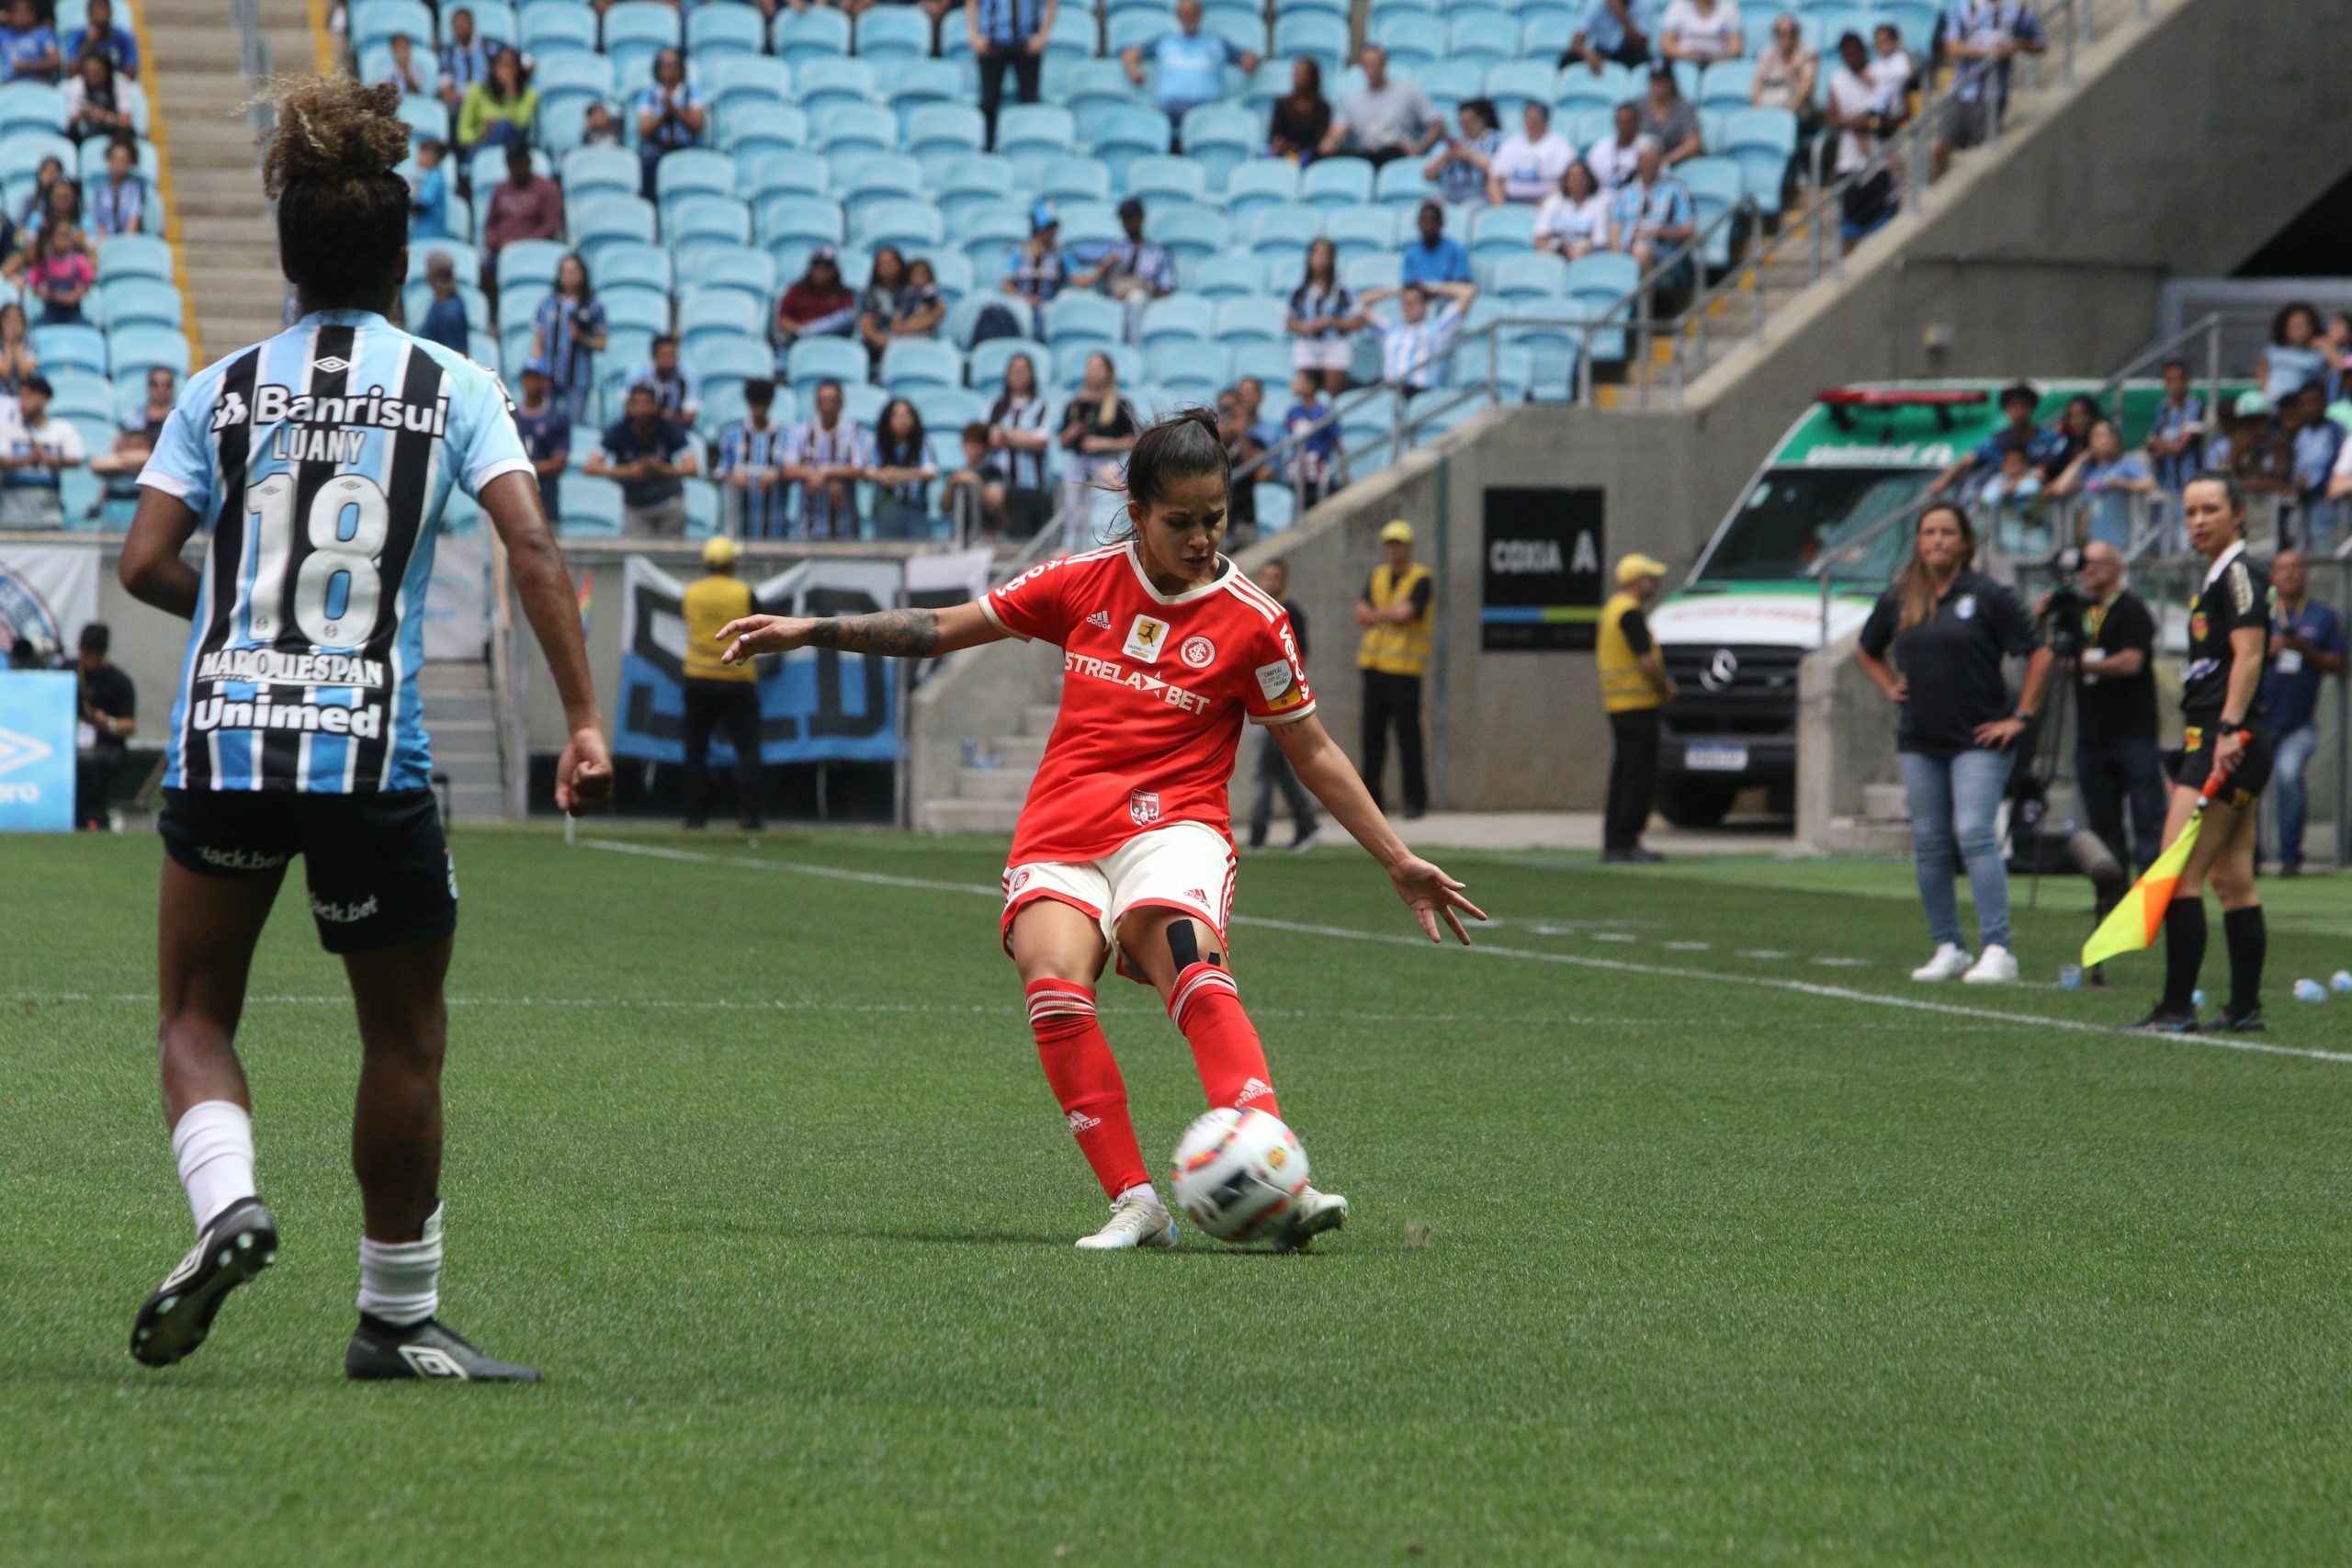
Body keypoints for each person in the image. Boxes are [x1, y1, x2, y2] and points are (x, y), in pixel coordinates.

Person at [115, 73, 611, 1382]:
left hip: (226, 736)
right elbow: (534, 543)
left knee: (193, 1009)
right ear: (401, 262)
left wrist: (233, 600)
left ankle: (227, 1200)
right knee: (402, 1035)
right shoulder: (453, 385)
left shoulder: (217, 391)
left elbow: (143, 562)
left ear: (286, 259)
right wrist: (583, 719)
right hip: (366, 747)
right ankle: (395, 1317)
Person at [713, 409, 1484, 1248]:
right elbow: (943, 627)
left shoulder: (1256, 621)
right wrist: (810, 629)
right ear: (1139, 511)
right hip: (1063, 823)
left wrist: (1398, 858)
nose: (1200, 539)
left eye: (1215, 519)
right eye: (1180, 522)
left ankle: (1276, 1168)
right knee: (1051, 977)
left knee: (1188, 954)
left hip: (1176, 825)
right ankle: (1137, 1202)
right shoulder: (1082, 580)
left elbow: (1315, 750)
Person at [1853, 502, 2049, 985]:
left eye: (1947, 532)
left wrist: (2020, 716)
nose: (1937, 540)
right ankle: (1948, 945)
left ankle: (1998, 948)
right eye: (1929, 532)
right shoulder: (1901, 597)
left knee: (1975, 833)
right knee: (1931, 843)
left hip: (1979, 736)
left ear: (1964, 542)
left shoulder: (1987, 595)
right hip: (1921, 738)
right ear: (1918, 541)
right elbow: (1866, 648)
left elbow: (2038, 653)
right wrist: (1886, 684)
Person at [2132, 475, 2275, 1032]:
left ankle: (2175, 1008)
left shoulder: (2238, 574)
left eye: (2211, 509)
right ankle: (2244, 1009)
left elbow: (2250, 655)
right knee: (2232, 878)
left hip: (2224, 742)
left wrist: (2229, 729)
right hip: (2227, 740)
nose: (2198, 520)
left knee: (2177, 874)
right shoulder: (2219, 575)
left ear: (2238, 514)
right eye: (2190, 510)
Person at [2050, 543, 2165, 978]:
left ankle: (2157, 907)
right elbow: (2059, 660)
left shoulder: (2131, 611)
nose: (2087, 571)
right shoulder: (2079, 613)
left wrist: (2083, 665)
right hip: (2092, 735)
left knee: (2148, 820)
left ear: (2116, 568)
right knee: (2104, 827)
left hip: (2132, 731)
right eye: (2084, 565)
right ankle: (2112, 903)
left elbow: (2132, 662)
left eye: (2096, 563)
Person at [2261, 547, 2344, 878]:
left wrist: (2303, 649)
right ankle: (2248, 856)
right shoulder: (2262, 614)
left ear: (2306, 574)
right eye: (2283, 568)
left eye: (2297, 567)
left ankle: (2290, 856)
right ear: (2273, 576)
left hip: (2298, 722)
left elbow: (2337, 663)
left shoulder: (2322, 616)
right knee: (2247, 789)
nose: (2291, 574)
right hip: (2260, 716)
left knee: (2289, 777)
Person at [679, 535, 764, 833]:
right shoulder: (743, 592)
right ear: (730, 564)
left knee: (695, 749)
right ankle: (750, 815)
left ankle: (694, 815)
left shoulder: (691, 593)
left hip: (697, 676)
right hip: (736, 678)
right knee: (748, 749)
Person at [1598, 552, 1675, 863]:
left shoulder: (1612, 610)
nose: (1654, 583)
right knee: (1637, 776)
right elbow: (1646, 661)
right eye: (1650, 577)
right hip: (1637, 704)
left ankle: (1615, 840)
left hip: (1618, 704)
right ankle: (1627, 842)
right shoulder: (1630, 613)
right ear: (1637, 580)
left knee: (1623, 774)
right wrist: (1665, 686)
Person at [1355, 518, 1434, 818]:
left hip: (1404, 670)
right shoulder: (1377, 575)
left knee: (1408, 738)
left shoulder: (1421, 578)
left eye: (1398, 543)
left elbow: (1406, 614)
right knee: (1371, 739)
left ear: (1408, 547)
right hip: (1374, 669)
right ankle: (1372, 802)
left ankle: (1415, 801)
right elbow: (1360, 614)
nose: (1393, 549)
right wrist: (1386, 614)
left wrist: (1378, 613)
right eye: (1389, 543)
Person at [1244, 558, 1320, 851]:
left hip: (1279, 701)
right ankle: (1307, 825)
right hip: (1257, 700)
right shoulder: (1256, 609)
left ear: (1284, 579)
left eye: (1275, 576)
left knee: (1264, 770)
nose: (1270, 581)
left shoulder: (1291, 614)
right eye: (1266, 576)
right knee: (1278, 769)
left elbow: (1301, 656)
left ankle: (1257, 834)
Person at [1932, 0, 2042, 179]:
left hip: (1993, 94)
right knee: (1942, 145)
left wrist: (2018, 44)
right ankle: (1935, 188)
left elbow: (2040, 44)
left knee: (1980, 149)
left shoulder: (2018, 12)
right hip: (1960, 90)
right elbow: (1952, 47)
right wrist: (1985, 53)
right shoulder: (1962, 8)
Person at [1119, 0, 1256, 131]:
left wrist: (1250, 62)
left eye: (1192, 13)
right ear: (1177, 16)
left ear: (1200, 14)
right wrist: (1133, 69)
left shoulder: (1216, 42)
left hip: (1208, 110)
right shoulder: (1165, 41)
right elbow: (1129, 54)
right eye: (1184, 13)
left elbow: (1248, 57)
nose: (1188, 17)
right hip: (1169, 110)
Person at [586, 381, 697, 536]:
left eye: (647, 404)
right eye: (637, 404)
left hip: (668, 503)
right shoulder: (617, 431)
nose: (642, 410)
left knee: (670, 558)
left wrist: (660, 469)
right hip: (635, 508)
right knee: (636, 558)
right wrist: (629, 471)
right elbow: (590, 467)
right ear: (628, 407)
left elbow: (692, 468)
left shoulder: (670, 429)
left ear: (656, 406)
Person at [1826, 32, 1896, 249]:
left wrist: (1869, 123)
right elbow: (1832, 119)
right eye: (1847, 55)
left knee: (1882, 226)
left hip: (1879, 160)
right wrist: (1853, 123)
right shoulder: (1838, 80)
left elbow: (1889, 117)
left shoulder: (1878, 76)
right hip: (1850, 162)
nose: (1852, 59)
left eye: (1856, 53)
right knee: (1850, 229)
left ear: (1864, 52)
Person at [1317, 46, 1442, 168]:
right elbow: (1339, 130)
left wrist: (1420, 148)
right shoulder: (1352, 101)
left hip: (1395, 152)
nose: (1372, 68)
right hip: (1365, 154)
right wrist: (1330, 142)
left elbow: (1436, 124)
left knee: (1391, 151)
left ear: (1385, 64)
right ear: (1362, 67)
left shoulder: (1408, 92)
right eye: (1367, 64)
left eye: (1376, 63)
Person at [1076, 197, 1176, 344]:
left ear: (1142, 219)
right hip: (1112, 298)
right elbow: (1074, 254)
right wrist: (1105, 266)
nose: (1127, 224)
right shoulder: (1114, 248)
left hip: (1142, 299)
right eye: (1124, 219)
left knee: (1136, 298)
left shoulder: (1158, 253)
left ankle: (1132, 349)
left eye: (1131, 218)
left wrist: (1138, 287)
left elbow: (1166, 287)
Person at [783, 378, 873, 540]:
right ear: (816, 404)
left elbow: (859, 469)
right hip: (809, 520)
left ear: (841, 403)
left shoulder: (854, 431)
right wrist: (818, 475)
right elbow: (788, 468)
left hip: (845, 520)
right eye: (823, 400)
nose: (828, 406)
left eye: (832, 400)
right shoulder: (801, 431)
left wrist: (824, 474)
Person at [2047, 418, 2154, 549]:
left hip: (2121, 543)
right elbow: (2059, 489)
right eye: (2098, 436)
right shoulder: (2088, 470)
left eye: (2110, 434)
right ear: (2089, 441)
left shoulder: (2127, 462)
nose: (2105, 440)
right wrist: (2079, 460)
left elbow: (2150, 484)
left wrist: (2120, 484)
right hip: (2093, 543)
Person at [1355, 280, 1476, 393]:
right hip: (1391, 391)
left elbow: (1468, 291)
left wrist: (1430, 288)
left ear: (1424, 305)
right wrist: (1396, 290)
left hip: (1421, 390)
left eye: (1414, 302)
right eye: (1405, 303)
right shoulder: (1390, 331)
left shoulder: (1439, 330)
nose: (1409, 307)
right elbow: (1358, 303)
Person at [1057, 350, 1137, 517]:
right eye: (1090, 367)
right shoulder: (1075, 405)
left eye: (1098, 367)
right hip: (1079, 462)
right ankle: (1071, 534)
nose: (1093, 372)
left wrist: (1102, 443)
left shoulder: (1120, 404)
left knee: (1110, 477)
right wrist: (1072, 432)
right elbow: (1063, 442)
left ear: (1109, 372)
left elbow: (1131, 440)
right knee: (1072, 479)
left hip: (1109, 460)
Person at [987, 350, 1056, 536]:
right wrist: (1023, 438)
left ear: (1032, 374)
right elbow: (989, 439)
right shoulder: (995, 406)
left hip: (1032, 487)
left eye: (1024, 369)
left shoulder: (1042, 405)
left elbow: (1040, 441)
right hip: (1001, 482)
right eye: (1014, 369)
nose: (1018, 373)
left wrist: (1005, 435)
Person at [531, 251, 605, 425]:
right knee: (544, 423)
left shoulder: (593, 305)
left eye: (574, 271)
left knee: (573, 427)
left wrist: (582, 339)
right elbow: (539, 340)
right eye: (565, 271)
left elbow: (602, 343)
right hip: (549, 375)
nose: (569, 276)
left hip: (578, 377)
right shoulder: (547, 304)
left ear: (582, 274)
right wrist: (537, 368)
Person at [73, 621, 133, 829]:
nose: (86, 659)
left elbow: (130, 726)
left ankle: (95, 817)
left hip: (108, 746)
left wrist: (106, 722)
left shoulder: (119, 682)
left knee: (84, 762)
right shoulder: (69, 673)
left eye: (92, 654)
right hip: (71, 744)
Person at [0, 373, 83, 525]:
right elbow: (3, 459)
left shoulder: (62, 429)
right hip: (11, 518)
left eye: (28, 397)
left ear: (44, 399)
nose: (22, 403)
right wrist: (28, 458)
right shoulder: (8, 429)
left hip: (49, 517)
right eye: (20, 397)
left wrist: (47, 459)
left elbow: (76, 459)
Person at [969, 0, 1054, 150]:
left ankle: (1027, 148)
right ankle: (987, 149)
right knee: (989, 101)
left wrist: (1043, 35)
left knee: (1029, 101)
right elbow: (972, 3)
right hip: (992, 42)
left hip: (1027, 43)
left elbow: (1052, 3)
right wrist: (974, 35)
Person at [714, 377, 790, 538]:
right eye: (754, 402)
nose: (758, 408)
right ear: (748, 402)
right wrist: (734, 475)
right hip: (739, 521)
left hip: (774, 522)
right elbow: (721, 470)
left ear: (770, 402)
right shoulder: (732, 435)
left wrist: (778, 474)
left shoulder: (785, 436)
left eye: (763, 402)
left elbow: (792, 469)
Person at [1606, 141, 1694, 276]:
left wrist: (1659, 232)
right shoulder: (1625, 193)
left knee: (1640, 250)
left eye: (1653, 160)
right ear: (1638, 163)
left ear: (1660, 163)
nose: (1649, 165)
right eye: (1645, 160)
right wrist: (1617, 256)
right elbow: (1614, 227)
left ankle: (1645, 296)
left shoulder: (1675, 190)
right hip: (1626, 249)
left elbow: (1689, 230)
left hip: (1662, 251)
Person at [1284, 236, 1355, 398]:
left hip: (1334, 343)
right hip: (1307, 343)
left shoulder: (1342, 288)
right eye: (1317, 254)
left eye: (1325, 255)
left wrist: (1331, 322)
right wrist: (1303, 327)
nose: (1321, 259)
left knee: (1330, 396)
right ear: (1309, 258)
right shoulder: (1298, 288)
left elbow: (1357, 320)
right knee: (1304, 392)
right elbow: (1288, 322)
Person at [633, 48, 707, 197]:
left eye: (673, 65)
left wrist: (676, 109)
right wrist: (664, 114)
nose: (669, 70)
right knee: (646, 156)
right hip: (659, 144)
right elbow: (644, 130)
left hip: (686, 142)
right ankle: (651, 201)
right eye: (664, 65)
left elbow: (698, 126)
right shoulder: (649, 95)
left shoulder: (692, 92)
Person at [481, 141, 560, 268]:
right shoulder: (501, 188)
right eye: (512, 166)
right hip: (500, 251)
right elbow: (490, 224)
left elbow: (549, 227)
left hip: (534, 252)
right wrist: (495, 242)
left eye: (520, 165)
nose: (516, 170)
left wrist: (520, 245)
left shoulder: (547, 189)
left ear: (529, 162)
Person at [510, 357, 570, 523]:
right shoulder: (509, 417)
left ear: (546, 381)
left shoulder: (557, 418)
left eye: (537, 377)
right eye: (528, 377)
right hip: (516, 498)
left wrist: (527, 467)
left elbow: (559, 462)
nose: (532, 381)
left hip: (546, 500)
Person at [869, 396, 935, 539]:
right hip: (886, 507)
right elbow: (869, 471)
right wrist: (881, 475)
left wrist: (898, 474)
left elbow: (930, 472)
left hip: (915, 508)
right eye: (897, 415)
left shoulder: (922, 444)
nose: (902, 420)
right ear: (888, 420)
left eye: (906, 415)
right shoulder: (878, 444)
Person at [1487, 101, 1574, 206]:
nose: (1531, 122)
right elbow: (1495, 180)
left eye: (1535, 118)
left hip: (1544, 202)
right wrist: (1501, 207)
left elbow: (1565, 183)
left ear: (1545, 120)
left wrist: (1544, 204)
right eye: (1528, 118)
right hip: (1510, 201)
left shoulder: (1560, 146)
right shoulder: (1511, 144)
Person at [2145, 357, 2209, 495]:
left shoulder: (2195, 407)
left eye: (2177, 380)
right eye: (2169, 381)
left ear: (2187, 381)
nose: (2173, 386)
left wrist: (2162, 445)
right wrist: (2157, 445)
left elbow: (2181, 446)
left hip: (2189, 479)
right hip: (2166, 481)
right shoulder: (2162, 408)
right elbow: (2150, 440)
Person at [1002, 201, 1067, 333]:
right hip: (1021, 306)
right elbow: (1006, 284)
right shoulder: (1018, 253)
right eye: (1048, 229)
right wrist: (1024, 299)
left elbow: (1073, 280)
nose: (1052, 233)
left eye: (1054, 229)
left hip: (1048, 309)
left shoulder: (1059, 255)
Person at [775, 245, 858, 343]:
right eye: (817, 266)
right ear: (811, 269)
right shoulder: (796, 290)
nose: (821, 271)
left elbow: (847, 321)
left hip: (832, 341)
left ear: (835, 270)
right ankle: (808, 332)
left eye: (827, 266)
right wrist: (799, 329)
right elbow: (782, 320)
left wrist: (808, 331)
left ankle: (808, 332)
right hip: (802, 342)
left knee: (846, 316)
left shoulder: (844, 293)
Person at [1280, 368, 1339, 506]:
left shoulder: (1325, 412)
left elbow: (1335, 440)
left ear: (1311, 385)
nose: (1294, 384)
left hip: (1317, 468)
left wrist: (1344, 471)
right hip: (1298, 469)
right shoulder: (1292, 412)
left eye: (1299, 381)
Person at [1425, 98, 1499, 207]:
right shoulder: (1450, 141)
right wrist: (1445, 156)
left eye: (1469, 121)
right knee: (1428, 208)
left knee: (1467, 211)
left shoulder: (1496, 140)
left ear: (1482, 119)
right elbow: (1427, 175)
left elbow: (1499, 169)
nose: (1466, 126)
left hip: (1478, 193)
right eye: (1462, 122)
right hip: (1447, 191)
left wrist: (1469, 155)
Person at [944, 419, 1007, 543]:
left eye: (975, 444)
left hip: (986, 532)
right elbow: (944, 507)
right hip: (960, 533)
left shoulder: (993, 471)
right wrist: (950, 485)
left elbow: (995, 503)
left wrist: (977, 482)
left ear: (985, 447)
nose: (970, 449)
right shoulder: (958, 473)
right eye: (967, 443)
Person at [1535, 160, 1613, 258]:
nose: (1576, 181)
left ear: (1589, 180)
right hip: (1556, 253)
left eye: (1580, 177)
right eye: (1572, 177)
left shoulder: (1599, 204)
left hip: (1586, 255)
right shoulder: (1554, 201)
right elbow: (1540, 235)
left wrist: (1578, 249)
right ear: (1566, 181)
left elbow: (1599, 240)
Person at [1751, 14, 1819, 121]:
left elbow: (1807, 83)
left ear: (1797, 34)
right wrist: (1757, 107)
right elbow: (1757, 81)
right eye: (1779, 33)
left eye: (1790, 32)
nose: (1785, 37)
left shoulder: (1808, 53)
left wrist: (1792, 107)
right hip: (1771, 102)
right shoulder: (1768, 53)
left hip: (1798, 108)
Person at [24, 220, 94, 324]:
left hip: (73, 312)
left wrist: (74, 296)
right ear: (51, 237)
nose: (65, 240)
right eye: (61, 235)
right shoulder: (43, 262)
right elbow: (34, 286)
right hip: (51, 312)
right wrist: (51, 295)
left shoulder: (78, 260)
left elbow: (88, 283)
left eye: (68, 236)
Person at [624, 333, 701, 426]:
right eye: (664, 356)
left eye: (672, 355)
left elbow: (689, 418)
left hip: (677, 429)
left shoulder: (688, 375)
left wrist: (669, 418)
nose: (669, 361)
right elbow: (628, 411)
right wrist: (659, 415)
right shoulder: (637, 374)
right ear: (653, 357)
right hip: (643, 428)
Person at [435, 6, 501, 114]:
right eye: (457, 26)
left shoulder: (489, 47)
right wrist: (462, 100)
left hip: (486, 96)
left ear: (472, 24)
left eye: (463, 25)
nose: (460, 29)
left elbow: (521, 62)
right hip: (459, 100)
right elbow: (445, 87)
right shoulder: (447, 53)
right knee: (447, 108)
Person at [1635, 66, 1702, 165]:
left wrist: (1664, 161)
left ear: (1671, 83)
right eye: (1654, 81)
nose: (1657, 86)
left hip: (1678, 164)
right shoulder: (1638, 106)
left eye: (1662, 82)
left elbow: (1693, 144)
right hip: (1646, 164)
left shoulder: (1684, 107)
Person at [1565, 0, 1656, 72]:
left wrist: (1620, 14)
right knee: (1569, 58)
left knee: (1645, 61)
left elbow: (1641, 44)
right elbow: (1576, 42)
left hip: (1627, 53)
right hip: (1600, 51)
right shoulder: (1597, 3)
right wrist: (1588, 55)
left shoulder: (1643, 3)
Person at [1268, 58, 1330, 163]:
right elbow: (1274, 133)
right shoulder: (1282, 103)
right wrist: (1278, 142)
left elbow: (1318, 141)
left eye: (1302, 73)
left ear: (1312, 77)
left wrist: (1294, 147)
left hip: (1307, 156)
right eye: (1296, 72)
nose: (1297, 76)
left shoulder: (1323, 108)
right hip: (1283, 153)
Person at [1399, 199, 1473, 288]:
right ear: (1418, 224)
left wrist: (1432, 288)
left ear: (1441, 224)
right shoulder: (1411, 252)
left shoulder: (1456, 250)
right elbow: (1408, 284)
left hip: (1447, 297)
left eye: (1432, 221)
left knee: (1469, 291)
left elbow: (1461, 283)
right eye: (1424, 222)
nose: (1428, 227)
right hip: (1420, 297)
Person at [855, 244, 910, 361]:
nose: (887, 266)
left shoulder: (912, 291)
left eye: (891, 262)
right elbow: (867, 326)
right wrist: (889, 345)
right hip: (881, 344)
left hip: (910, 341)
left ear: (900, 264)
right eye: (882, 263)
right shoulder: (869, 294)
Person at [62, 51, 129, 141]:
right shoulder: (77, 85)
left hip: (114, 135)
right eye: (88, 72)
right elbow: (68, 123)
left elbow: (125, 121)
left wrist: (106, 117)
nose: (92, 76)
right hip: (85, 135)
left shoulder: (119, 82)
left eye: (97, 72)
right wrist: (82, 115)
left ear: (106, 71)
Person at [88, 135, 146, 238]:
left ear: (130, 163)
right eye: (115, 159)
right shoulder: (100, 188)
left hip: (127, 241)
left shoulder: (135, 189)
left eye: (123, 160)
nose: (118, 165)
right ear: (108, 161)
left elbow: (133, 219)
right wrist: (105, 243)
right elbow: (97, 220)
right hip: (104, 240)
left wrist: (123, 245)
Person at [66, 0, 139, 80]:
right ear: (88, 12)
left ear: (110, 11)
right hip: (86, 87)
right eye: (95, 9)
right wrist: (88, 44)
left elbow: (131, 74)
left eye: (102, 7)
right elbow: (72, 74)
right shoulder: (77, 38)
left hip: (117, 86)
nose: (99, 12)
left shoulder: (124, 37)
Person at [1586, 103, 1650, 194]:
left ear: (1637, 123)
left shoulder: (1649, 146)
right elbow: (1591, 180)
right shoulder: (1600, 148)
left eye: (1629, 122)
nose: (1624, 127)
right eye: (1621, 122)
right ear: (1614, 123)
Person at [1660, 0, 1742, 65]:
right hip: (1684, 60)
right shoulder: (1678, 7)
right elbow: (1666, 45)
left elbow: (1736, 48)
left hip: (1718, 62)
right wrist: (1690, 56)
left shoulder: (1728, 8)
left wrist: (1717, 60)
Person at [0, 0, 60, 85]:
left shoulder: (44, 34)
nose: (21, 16)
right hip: (7, 87)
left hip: (36, 85)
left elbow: (55, 61)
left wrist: (28, 65)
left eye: (25, 12)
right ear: (9, 14)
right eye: (17, 12)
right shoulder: (3, 35)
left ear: (32, 15)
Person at [406, 136, 450, 241]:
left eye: (421, 153)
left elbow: (422, 203)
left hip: (429, 235)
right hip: (422, 234)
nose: (418, 157)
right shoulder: (430, 176)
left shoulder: (435, 178)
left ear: (431, 156)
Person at [377, 31, 428, 95]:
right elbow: (383, 88)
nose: (402, 52)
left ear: (410, 49)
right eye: (399, 49)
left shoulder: (417, 68)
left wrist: (405, 70)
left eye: (405, 48)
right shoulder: (388, 71)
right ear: (393, 51)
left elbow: (417, 90)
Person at [0, 298, 33, 391]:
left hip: (24, 395)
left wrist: (17, 345)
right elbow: (5, 374)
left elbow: (25, 375)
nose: (13, 325)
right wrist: (8, 343)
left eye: (17, 320)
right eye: (9, 321)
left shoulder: (30, 342)